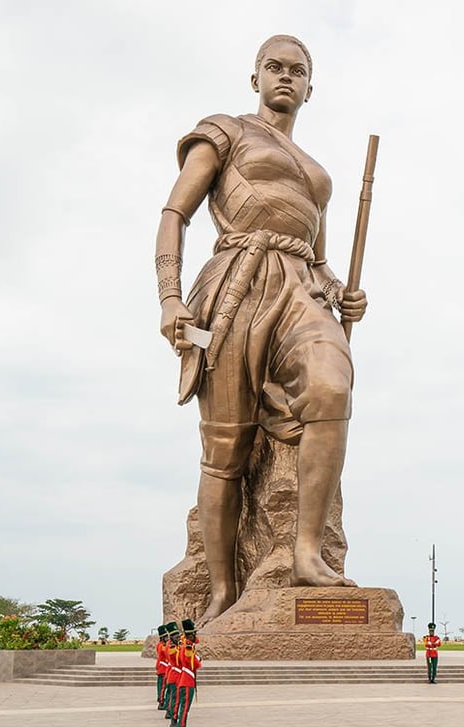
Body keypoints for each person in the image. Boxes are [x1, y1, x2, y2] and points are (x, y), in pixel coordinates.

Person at [154, 34, 369, 626]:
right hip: (235, 286)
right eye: (274, 67)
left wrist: (347, 296)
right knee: (226, 450)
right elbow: (175, 214)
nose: (285, 77)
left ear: (309, 86)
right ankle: (222, 588)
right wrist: (170, 299)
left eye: (297, 71)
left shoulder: (318, 176)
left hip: (300, 288)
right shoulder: (224, 131)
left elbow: (319, 260)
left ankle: (306, 552)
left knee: (331, 386)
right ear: (255, 78)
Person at [174, 619, 202, 727]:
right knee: (185, 708)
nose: (195, 635)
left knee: (183, 707)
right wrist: (198, 659)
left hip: (185, 679)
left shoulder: (185, 645)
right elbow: (195, 664)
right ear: (190, 634)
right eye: (194, 633)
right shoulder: (188, 647)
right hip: (187, 681)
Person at [164, 622, 181, 724]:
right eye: (176, 636)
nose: (178, 638)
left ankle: (172, 714)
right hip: (174, 674)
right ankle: (173, 717)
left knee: (174, 696)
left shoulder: (174, 646)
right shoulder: (171, 648)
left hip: (176, 673)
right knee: (174, 697)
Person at [154, 624, 171, 710]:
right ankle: (161, 701)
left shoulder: (162, 645)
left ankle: (162, 699)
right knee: (162, 687)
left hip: (164, 667)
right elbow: (165, 652)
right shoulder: (161, 646)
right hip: (163, 668)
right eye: (166, 637)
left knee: (163, 686)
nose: (167, 638)